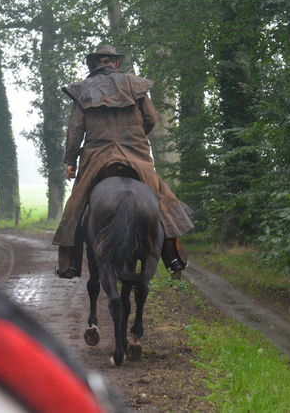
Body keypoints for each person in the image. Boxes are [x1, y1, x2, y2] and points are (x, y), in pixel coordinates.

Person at [53, 45, 194, 279]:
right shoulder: (136, 85)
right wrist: (136, 136)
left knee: (76, 204)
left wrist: (70, 160)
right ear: (116, 63)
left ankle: (70, 265)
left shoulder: (82, 90)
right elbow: (151, 119)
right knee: (161, 196)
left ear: (95, 64)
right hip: (135, 153)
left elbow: (75, 130)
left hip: (97, 156)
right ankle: (173, 256)